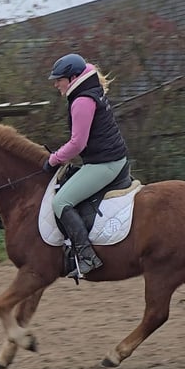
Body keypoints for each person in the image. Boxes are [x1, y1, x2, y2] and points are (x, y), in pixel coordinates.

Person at [44, 53, 129, 279]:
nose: (55, 84)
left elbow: (77, 143)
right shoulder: (88, 91)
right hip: (109, 158)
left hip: (105, 164)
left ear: (72, 78)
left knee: (61, 201)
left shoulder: (82, 101)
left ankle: (87, 256)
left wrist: (54, 159)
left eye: (59, 79)